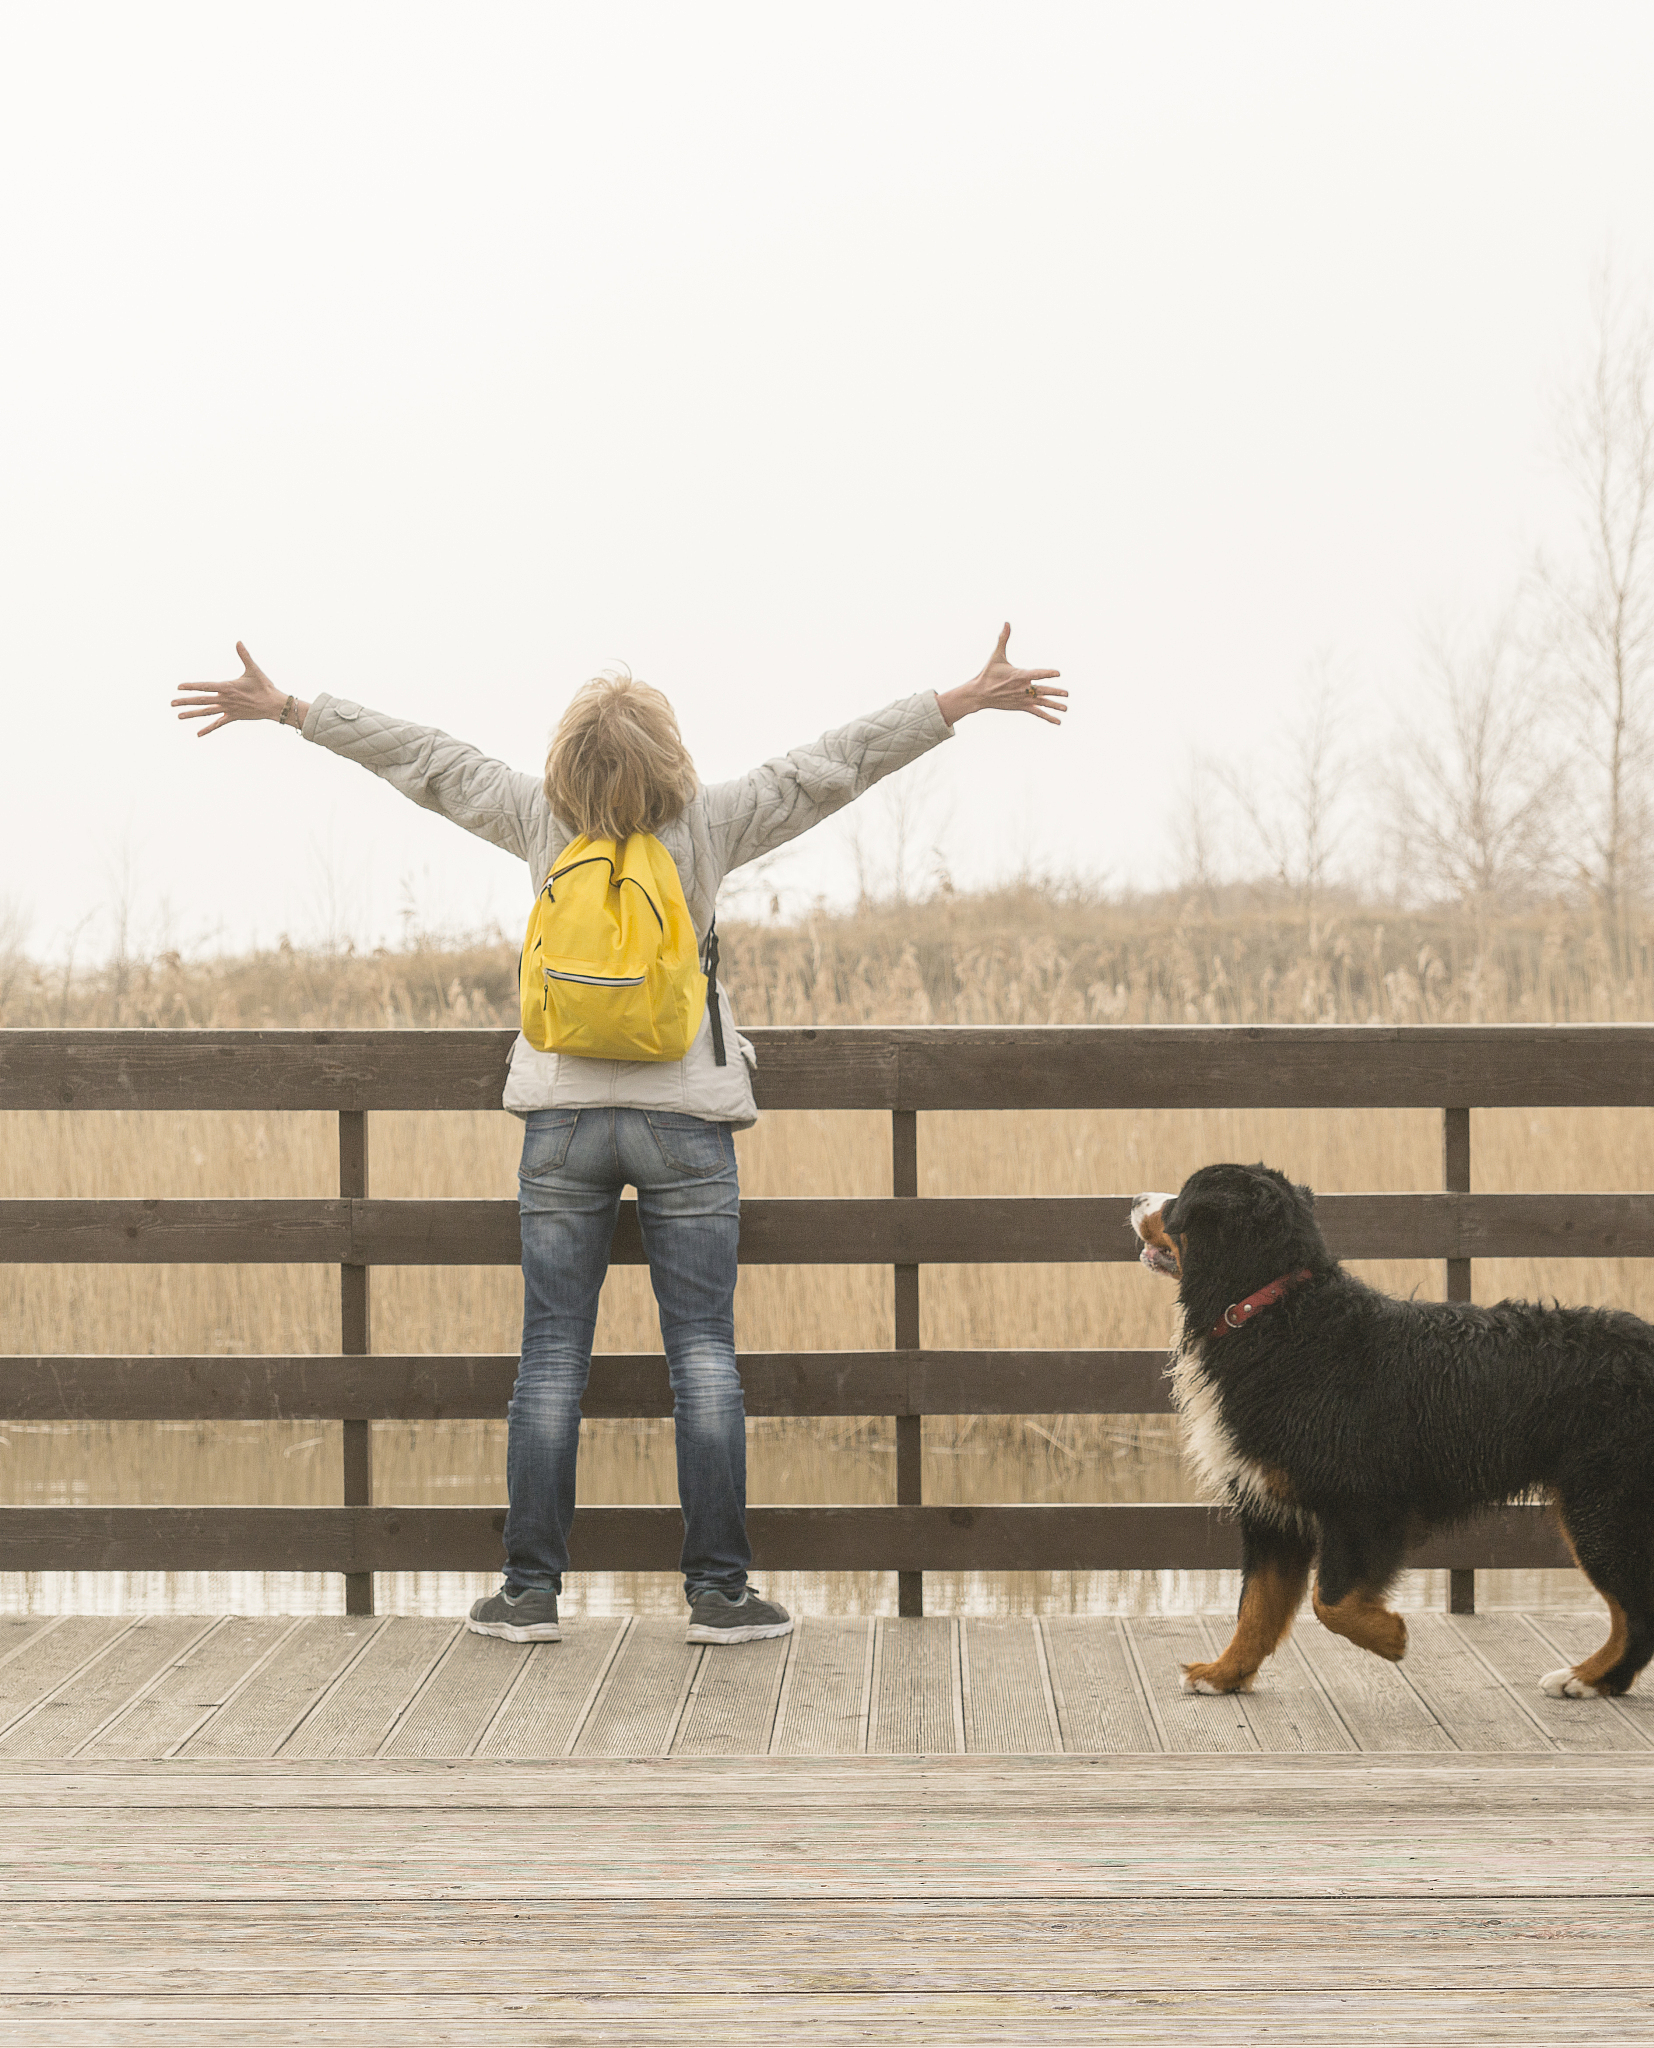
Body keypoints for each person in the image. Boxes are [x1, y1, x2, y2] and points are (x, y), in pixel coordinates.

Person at [172, 632, 1066, 1645]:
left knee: (550, 1357)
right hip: (686, 1118)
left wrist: (293, 707)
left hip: (560, 1119)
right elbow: (835, 764)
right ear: (669, 758)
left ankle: (528, 1592)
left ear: (565, 761)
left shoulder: (533, 818)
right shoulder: (712, 822)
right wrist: (956, 699)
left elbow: (422, 757)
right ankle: (720, 1595)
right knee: (704, 1358)